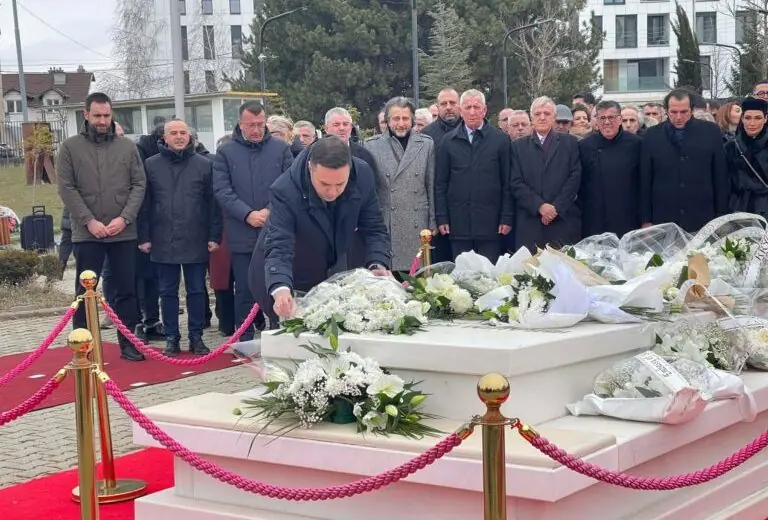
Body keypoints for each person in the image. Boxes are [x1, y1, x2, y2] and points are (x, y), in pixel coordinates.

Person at [248, 136, 391, 324]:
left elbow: (373, 227)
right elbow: (279, 246)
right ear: (310, 168)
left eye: (340, 184)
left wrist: (378, 263)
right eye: (324, 184)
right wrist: (280, 287)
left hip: (330, 267)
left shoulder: (362, 174)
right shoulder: (285, 190)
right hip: (287, 272)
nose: (332, 192)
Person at [57, 92, 146, 361]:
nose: (103, 121)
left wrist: (125, 218)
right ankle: (82, 346)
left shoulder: (127, 147)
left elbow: (139, 184)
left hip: (123, 233)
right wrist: (89, 221)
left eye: (107, 115)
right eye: (97, 115)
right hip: (87, 234)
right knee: (85, 293)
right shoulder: (70, 148)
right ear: (86, 114)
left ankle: (128, 343)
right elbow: (67, 188)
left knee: (126, 291)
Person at [139, 119, 222, 357]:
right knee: (167, 291)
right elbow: (144, 203)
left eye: (182, 132)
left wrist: (214, 235)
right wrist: (144, 236)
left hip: (196, 236)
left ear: (189, 136)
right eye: (173, 133)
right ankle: (171, 337)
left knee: (196, 291)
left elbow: (213, 204)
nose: (178, 137)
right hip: (162, 237)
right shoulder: (151, 165)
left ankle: (196, 336)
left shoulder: (205, 165)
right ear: (164, 138)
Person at [213, 101, 293, 339]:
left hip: (275, 231)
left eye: (260, 124)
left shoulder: (281, 149)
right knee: (245, 290)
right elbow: (222, 190)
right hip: (242, 231)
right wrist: (247, 214)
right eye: (251, 125)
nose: (256, 130)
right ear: (240, 124)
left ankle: (279, 336)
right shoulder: (226, 152)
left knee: (277, 287)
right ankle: (245, 339)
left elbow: (289, 185)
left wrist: (270, 211)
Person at [434, 89, 512, 262]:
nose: (472, 112)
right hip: (458, 224)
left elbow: (507, 183)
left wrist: (506, 217)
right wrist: (442, 217)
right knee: (462, 275)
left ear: (484, 110)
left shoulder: (501, 141)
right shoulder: (447, 142)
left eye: (476, 107)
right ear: (461, 111)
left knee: (490, 275)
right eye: (467, 107)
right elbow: (440, 184)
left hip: (491, 225)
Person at [640, 88, 728, 232]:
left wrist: (721, 215)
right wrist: (645, 219)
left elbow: (720, 176)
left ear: (692, 110)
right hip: (663, 218)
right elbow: (645, 179)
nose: (678, 117)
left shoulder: (710, 131)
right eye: (673, 112)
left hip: (702, 216)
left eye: (684, 112)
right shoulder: (651, 135)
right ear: (666, 110)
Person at [365, 97, 435, 274]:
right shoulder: (372, 146)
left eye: (405, 118)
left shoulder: (426, 144)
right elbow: (369, 191)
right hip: (387, 223)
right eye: (396, 118)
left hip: (417, 223)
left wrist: (433, 220)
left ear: (412, 120)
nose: (401, 123)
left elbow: (431, 185)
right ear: (387, 121)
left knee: (418, 279)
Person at [510, 96, 582, 251]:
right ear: (531, 118)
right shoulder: (517, 147)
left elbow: (575, 177)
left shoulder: (571, 143)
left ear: (554, 117)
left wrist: (556, 208)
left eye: (547, 113)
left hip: (563, 220)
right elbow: (516, 182)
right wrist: (540, 206)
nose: (542, 117)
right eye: (537, 114)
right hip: (530, 223)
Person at [578, 101, 642, 237]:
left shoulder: (636, 144)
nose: (607, 122)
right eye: (602, 118)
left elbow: (643, 183)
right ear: (596, 121)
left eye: (611, 117)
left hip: (628, 217)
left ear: (619, 119)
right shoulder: (584, 146)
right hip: (594, 219)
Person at [725, 97, 768, 217]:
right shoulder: (731, 147)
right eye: (748, 118)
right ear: (742, 118)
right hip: (739, 210)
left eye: (758, 118)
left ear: (765, 119)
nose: (752, 123)